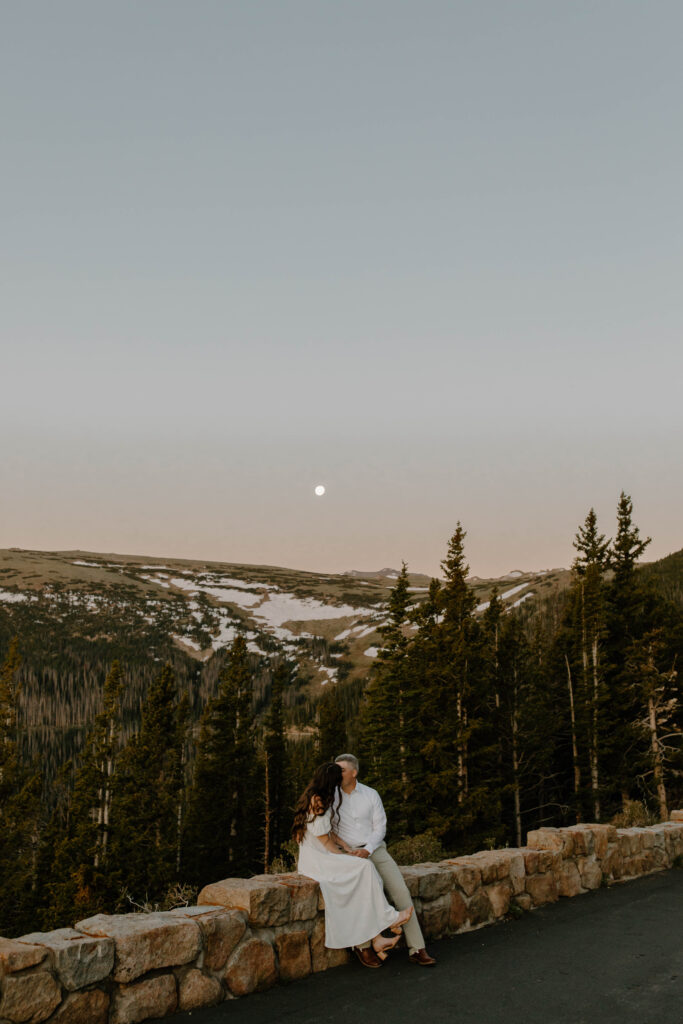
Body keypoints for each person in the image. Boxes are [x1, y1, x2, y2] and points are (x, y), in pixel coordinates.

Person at [293, 762, 413, 967]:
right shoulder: (317, 800)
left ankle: (376, 939)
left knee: (362, 875)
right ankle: (389, 918)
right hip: (317, 859)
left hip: (321, 853)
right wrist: (345, 858)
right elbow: (325, 842)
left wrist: (346, 847)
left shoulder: (319, 796)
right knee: (364, 867)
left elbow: (330, 833)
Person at [332, 753, 436, 967]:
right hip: (348, 854)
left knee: (401, 893)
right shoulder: (331, 797)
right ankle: (363, 947)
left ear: (354, 772)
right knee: (360, 896)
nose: (337, 773)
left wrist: (368, 850)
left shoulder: (371, 794)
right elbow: (328, 829)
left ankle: (417, 948)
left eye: (341, 769)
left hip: (375, 850)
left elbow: (380, 827)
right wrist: (347, 850)